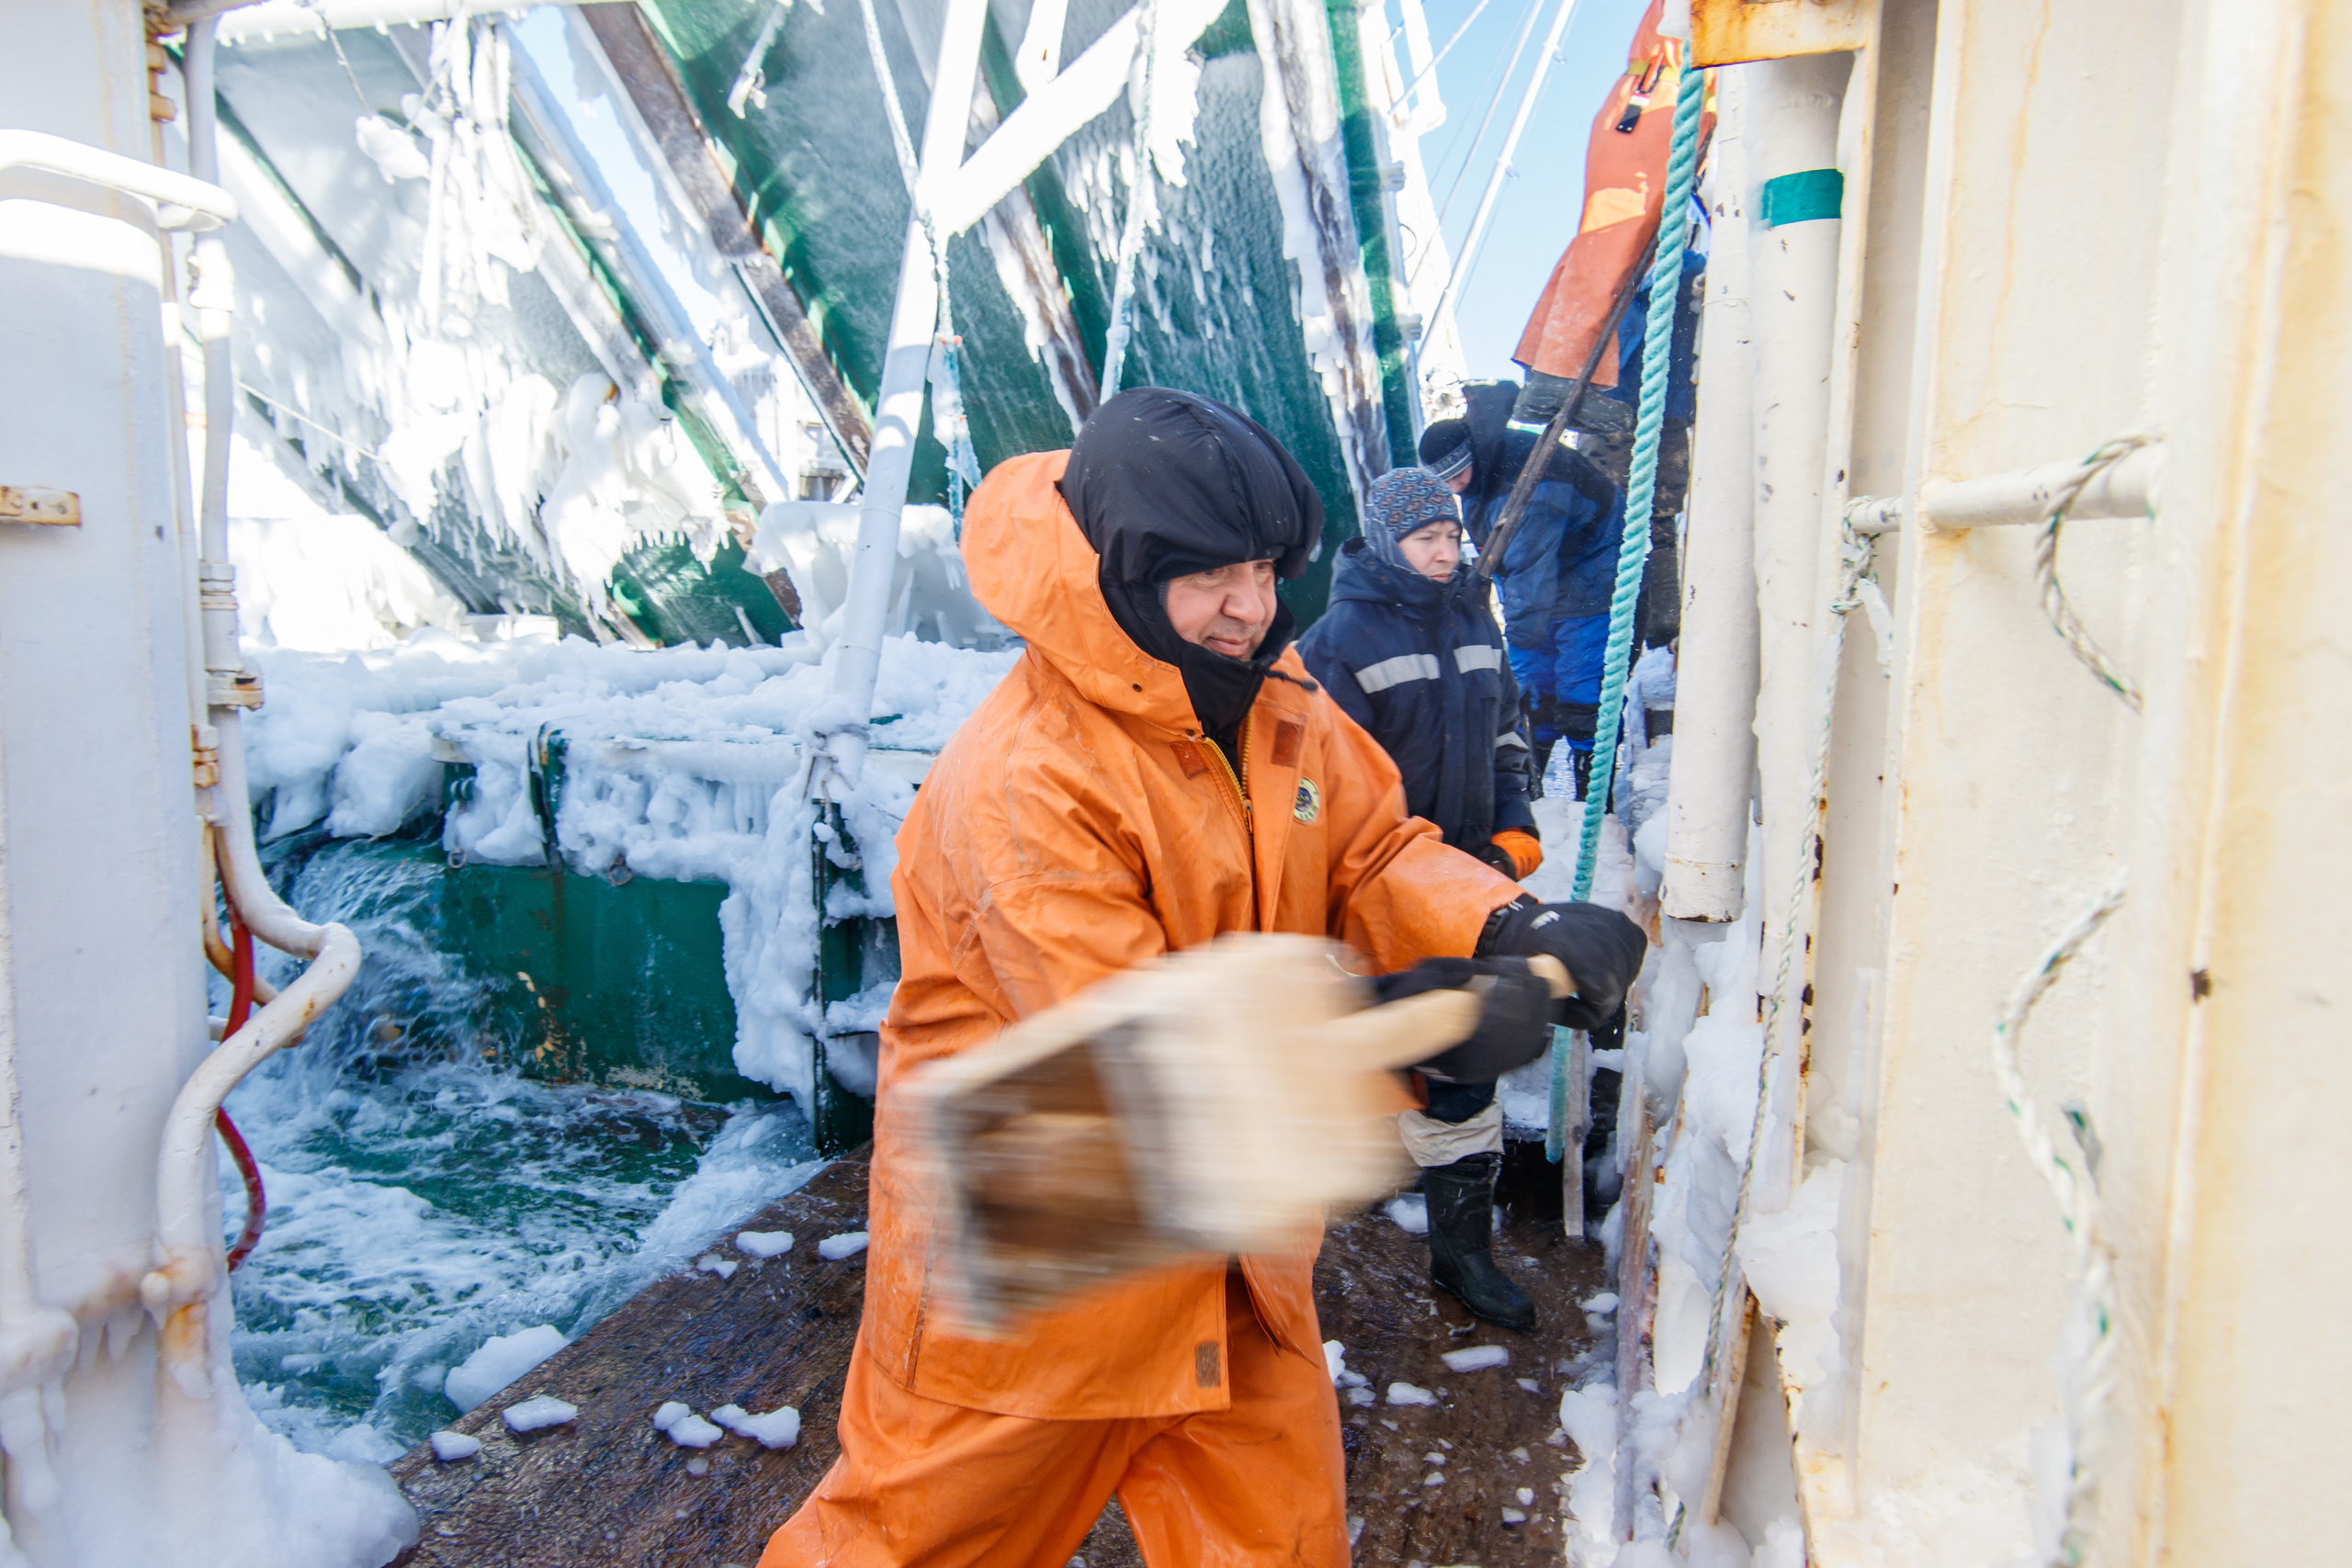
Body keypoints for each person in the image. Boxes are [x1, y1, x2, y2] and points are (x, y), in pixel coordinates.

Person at [762, 388, 1645, 1567]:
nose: (1250, 606)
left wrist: (1502, 922)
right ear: (1121, 572)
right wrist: (1407, 1028)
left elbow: (1371, 848)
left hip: (1234, 1259)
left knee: (1281, 1546)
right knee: (904, 1549)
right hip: (1036, 1264)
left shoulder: (1275, 695)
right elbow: (1131, 1053)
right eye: (1207, 575)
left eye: (1268, 567)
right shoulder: (1023, 781)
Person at [1297, 466, 1547, 1331]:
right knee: (1387, 1042)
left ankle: (1461, 1252)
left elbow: (1510, 730)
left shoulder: (1478, 617)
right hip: (1383, 887)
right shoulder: (1336, 641)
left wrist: (1514, 824)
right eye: (1425, 539)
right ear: (1386, 540)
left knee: (1462, 1056)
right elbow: (1316, 783)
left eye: (1451, 537)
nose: (1445, 553)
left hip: (1471, 876)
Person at [1418, 399, 1623, 800]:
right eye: (1446, 482)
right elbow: (1505, 556)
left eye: (1456, 476)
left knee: (1581, 684)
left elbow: (1529, 568)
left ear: (1468, 458)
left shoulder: (1531, 485)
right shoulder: (1480, 470)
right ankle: (1532, 775)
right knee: (1534, 687)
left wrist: (1512, 650)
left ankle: (1594, 792)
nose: (1454, 487)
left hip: (1592, 572)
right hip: (1547, 570)